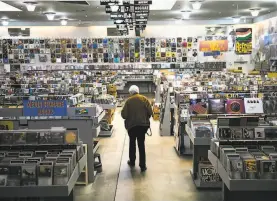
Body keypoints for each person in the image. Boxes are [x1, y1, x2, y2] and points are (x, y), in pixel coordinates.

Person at [121, 85, 153, 172]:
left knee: (132, 144)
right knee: (141, 145)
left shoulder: (128, 101)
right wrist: (144, 118)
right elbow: (150, 112)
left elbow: (124, 115)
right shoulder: (144, 99)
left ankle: (132, 161)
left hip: (132, 127)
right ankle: (143, 165)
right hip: (142, 126)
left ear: (130, 92)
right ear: (138, 91)